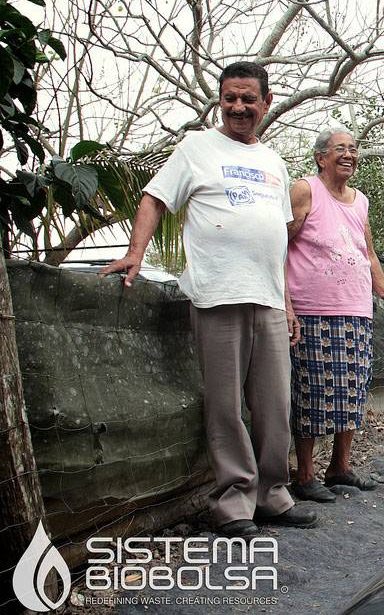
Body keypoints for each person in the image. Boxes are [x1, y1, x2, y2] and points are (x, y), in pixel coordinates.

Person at [101, 62, 317, 536]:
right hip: (217, 295)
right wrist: (135, 254)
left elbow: (277, 240)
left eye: (247, 99)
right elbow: (154, 199)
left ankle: (274, 496)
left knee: (276, 405)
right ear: (221, 100)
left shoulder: (275, 163)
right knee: (224, 407)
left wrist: (288, 302)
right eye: (229, 98)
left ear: (266, 101)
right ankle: (234, 504)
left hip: (268, 301)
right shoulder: (196, 148)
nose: (238, 107)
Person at [285, 128, 384, 503]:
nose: (349, 155)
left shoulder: (360, 202)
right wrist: (285, 303)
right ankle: (305, 475)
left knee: (352, 391)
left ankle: (339, 467)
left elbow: (368, 254)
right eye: (340, 149)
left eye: (354, 150)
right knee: (312, 393)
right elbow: (278, 242)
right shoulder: (304, 190)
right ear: (321, 157)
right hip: (312, 311)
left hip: (356, 311)